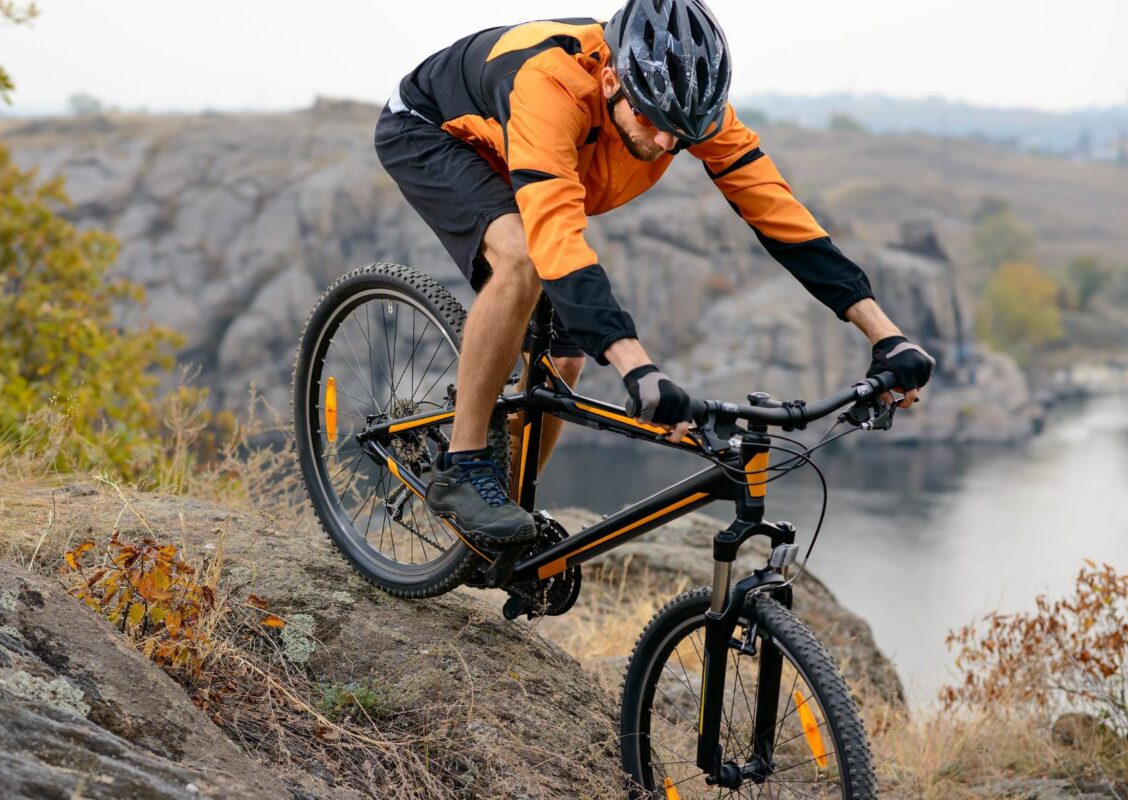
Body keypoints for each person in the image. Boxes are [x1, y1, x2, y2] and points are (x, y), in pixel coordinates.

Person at [374, 0, 934, 548]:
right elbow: (556, 239)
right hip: (433, 131)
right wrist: (636, 366)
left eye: (683, 132)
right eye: (651, 120)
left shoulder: (691, 110)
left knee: (565, 356)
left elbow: (781, 218)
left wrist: (885, 333)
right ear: (613, 77)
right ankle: (463, 465)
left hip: (528, 154)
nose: (667, 142)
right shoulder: (552, 84)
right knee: (522, 260)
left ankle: (501, 521)